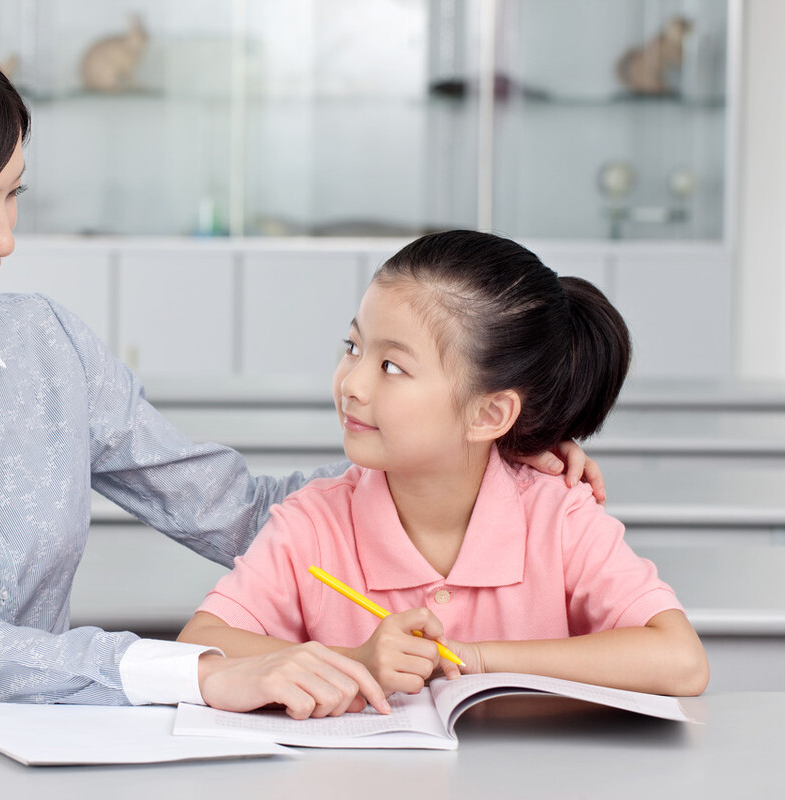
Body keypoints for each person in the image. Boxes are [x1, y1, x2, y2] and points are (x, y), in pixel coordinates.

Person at [0, 13, 603, 715]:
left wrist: (463, 471)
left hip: (46, 750)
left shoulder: (44, 344)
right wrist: (203, 675)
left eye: (14, 199)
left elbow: (236, 512)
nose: (5, 241)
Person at [179, 230, 710, 701]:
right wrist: (355, 659)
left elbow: (681, 661)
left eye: (391, 366)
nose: (352, 385)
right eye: (353, 346)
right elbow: (201, 645)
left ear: (489, 414)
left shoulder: (559, 516)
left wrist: (477, 660)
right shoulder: (311, 523)